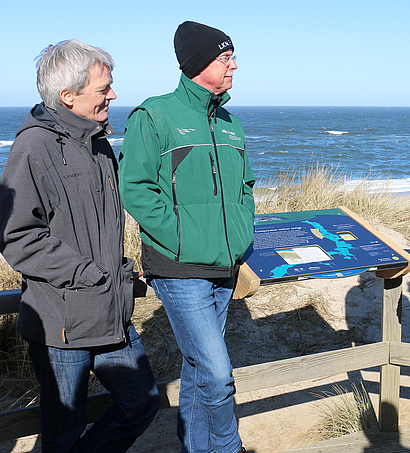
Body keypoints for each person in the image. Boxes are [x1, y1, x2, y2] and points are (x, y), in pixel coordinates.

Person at [0, 40, 159, 452]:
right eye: (103, 88)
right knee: (63, 431)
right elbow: (17, 235)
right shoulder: (32, 147)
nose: (113, 94)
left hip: (111, 311)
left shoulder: (100, 144)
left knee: (142, 402)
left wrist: (120, 271)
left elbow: (101, 224)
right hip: (62, 324)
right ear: (67, 96)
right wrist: (87, 273)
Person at [118, 21, 254, 453]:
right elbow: (135, 187)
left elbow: (246, 187)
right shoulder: (154, 115)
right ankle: (228, 448)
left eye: (231, 57)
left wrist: (242, 231)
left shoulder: (230, 122)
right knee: (217, 374)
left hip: (224, 265)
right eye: (225, 58)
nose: (234, 66)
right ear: (199, 64)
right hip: (179, 267)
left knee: (197, 370)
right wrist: (179, 235)